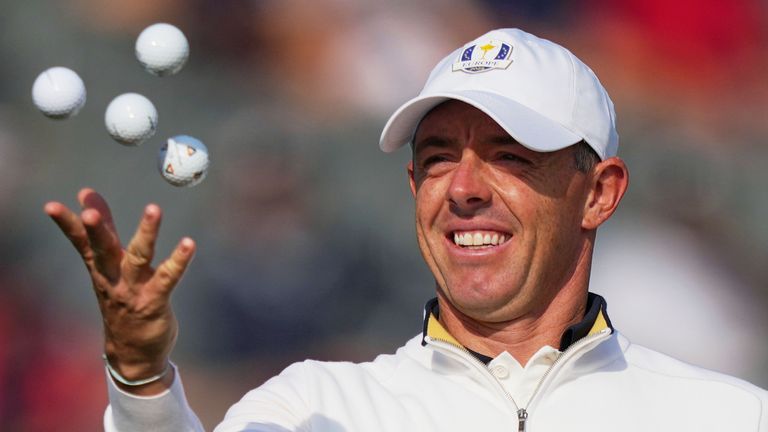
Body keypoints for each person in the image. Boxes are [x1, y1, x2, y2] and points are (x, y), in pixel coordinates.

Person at [45, 28, 767, 431]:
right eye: (438, 158)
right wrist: (140, 384)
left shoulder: (727, 417)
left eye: (510, 156)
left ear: (600, 194)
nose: (462, 189)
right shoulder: (315, 408)